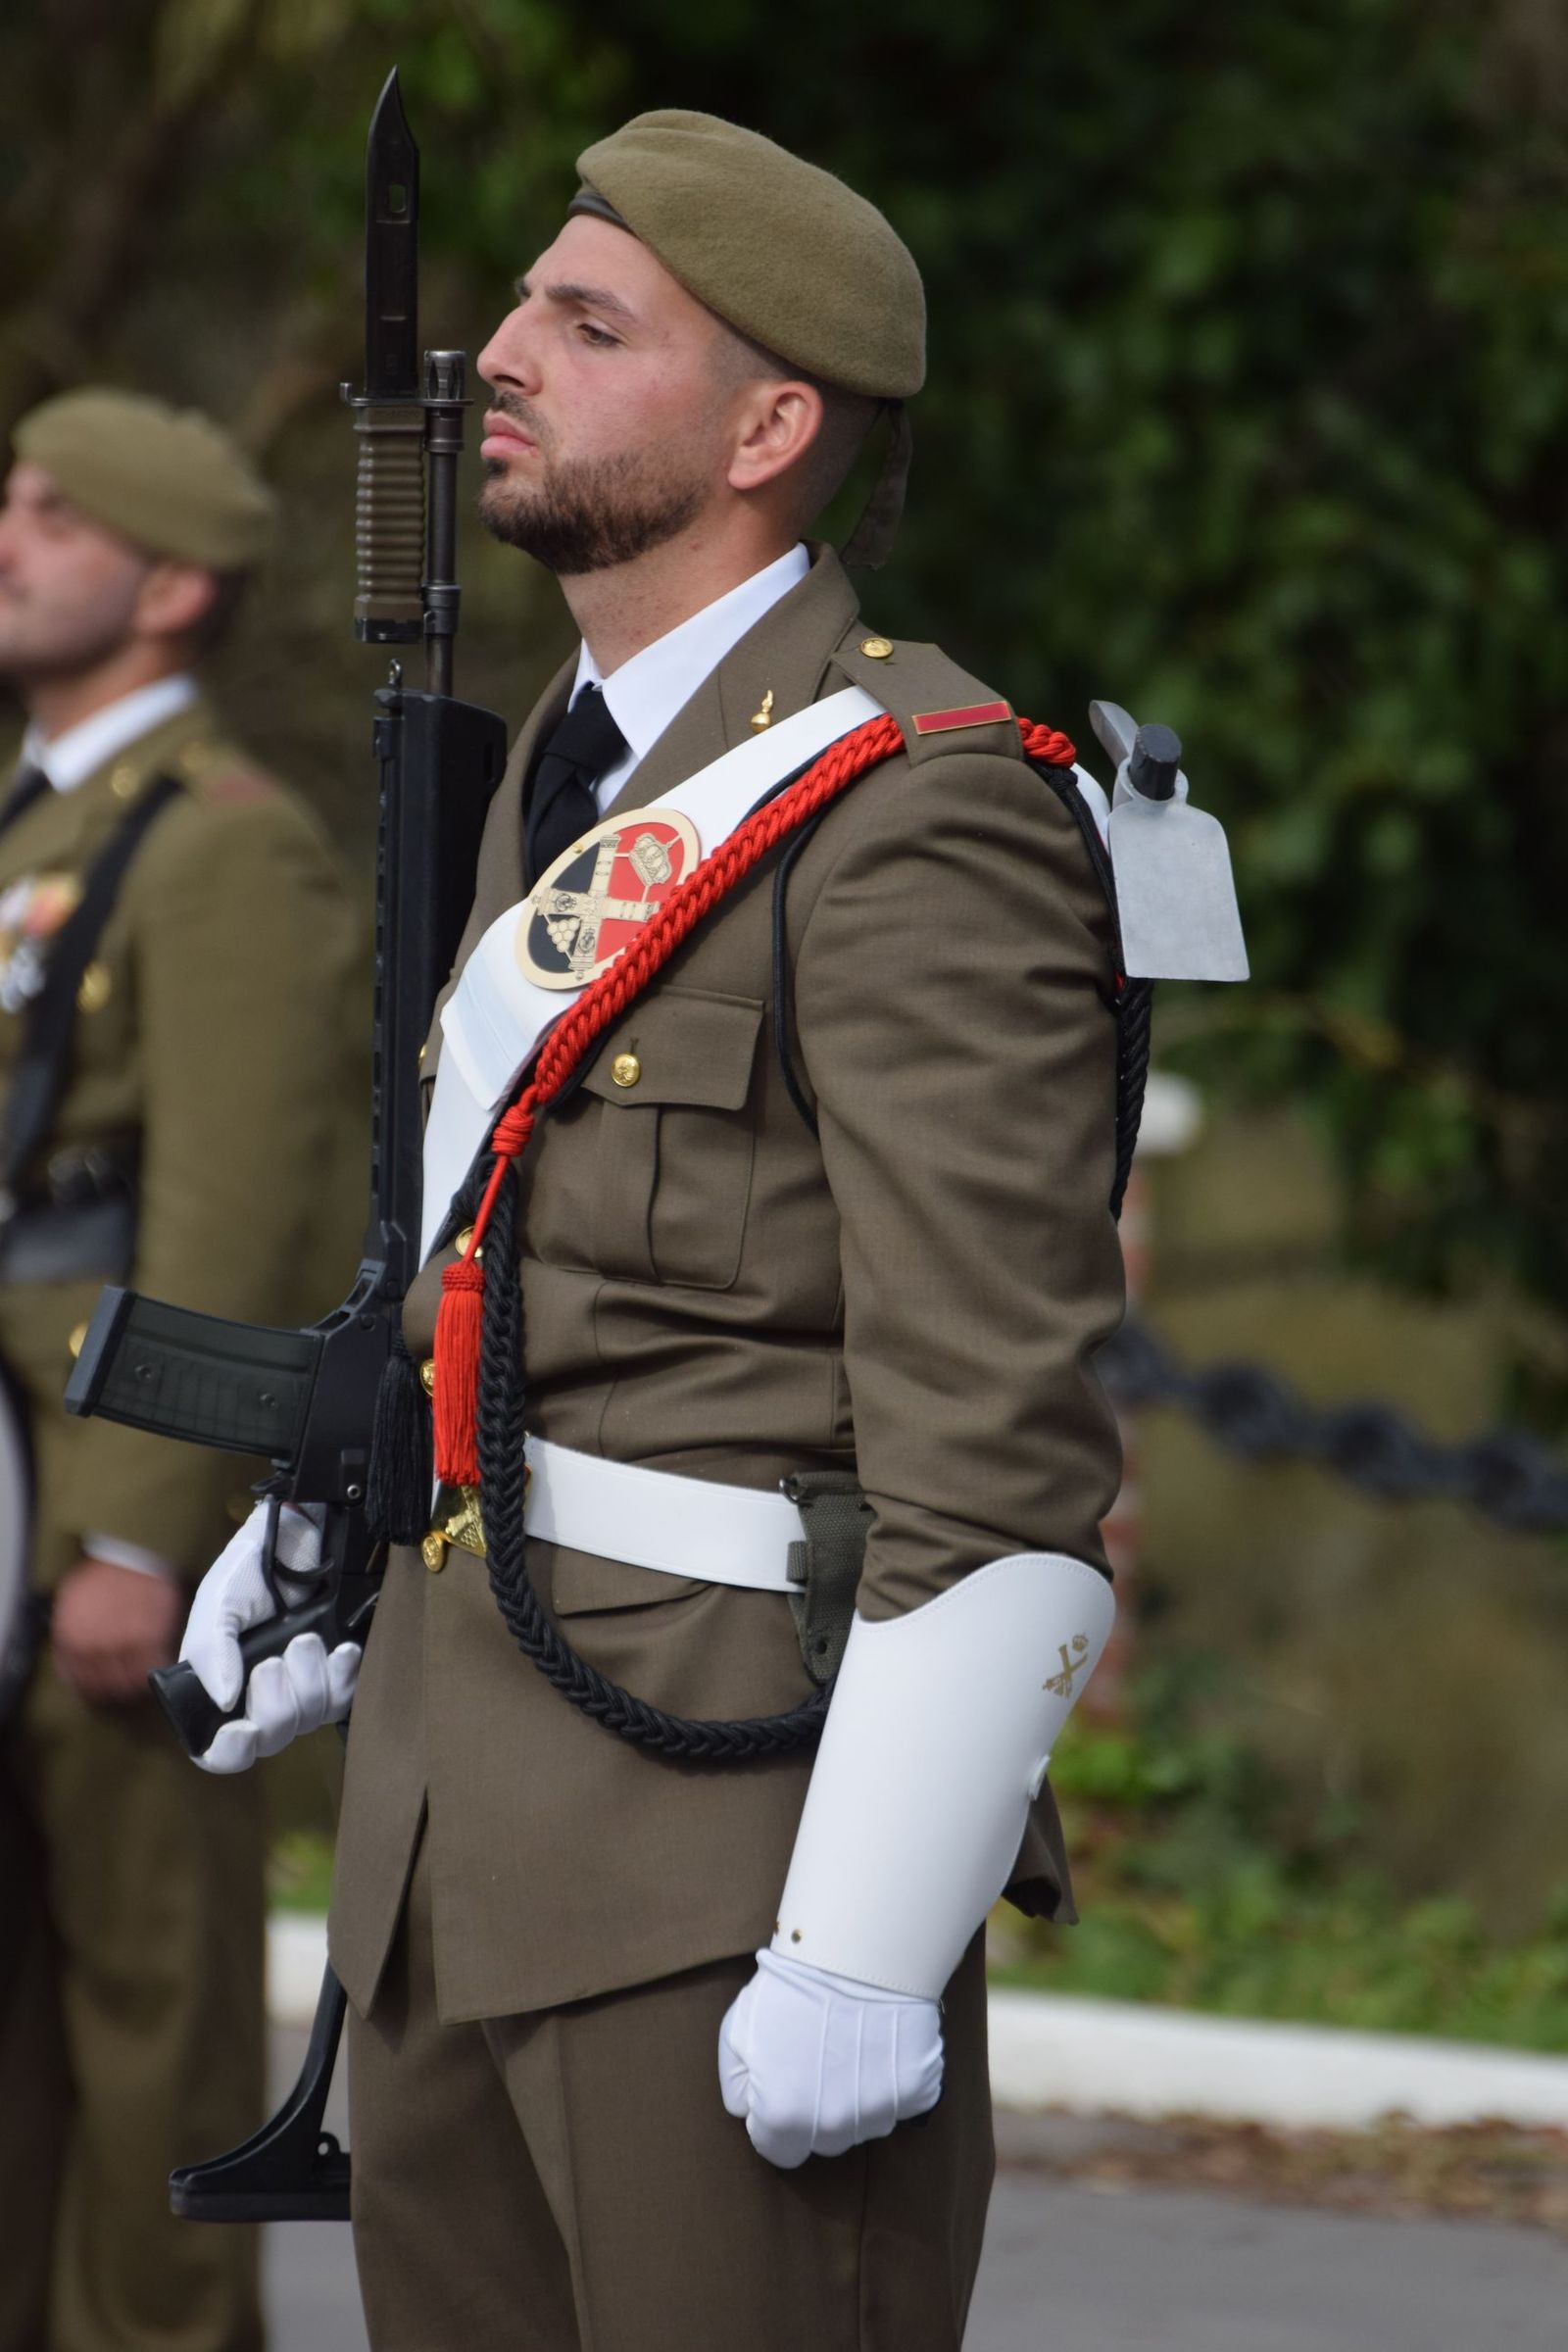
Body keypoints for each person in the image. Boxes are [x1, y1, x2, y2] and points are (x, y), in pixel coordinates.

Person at [185, 114, 1126, 2349]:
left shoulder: (915, 813)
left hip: (721, 1866)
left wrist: (866, 1940)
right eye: (521, 304)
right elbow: (512, 1257)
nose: (496, 355)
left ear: (767, 428)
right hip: (450, 1836)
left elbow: (994, 1426)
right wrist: (343, 1500)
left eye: (584, 328)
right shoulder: (563, 775)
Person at [0, 389, 357, 2352]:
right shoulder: (44, 824)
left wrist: (136, 1527)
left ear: (172, 583)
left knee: (150, 2016)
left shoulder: (225, 851)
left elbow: (228, 1217)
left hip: (93, 1494)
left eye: (60, 514)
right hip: (7, 1493)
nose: (9, 534)